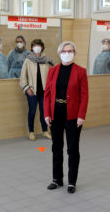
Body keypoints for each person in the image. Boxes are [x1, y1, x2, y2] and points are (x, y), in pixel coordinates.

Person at [44, 41, 89, 194]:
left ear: (74, 53)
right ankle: (57, 179)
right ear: (59, 53)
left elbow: (84, 96)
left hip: (73, 116)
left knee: (72, 149)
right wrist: (46, 114)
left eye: (70, 50)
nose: (67, 53)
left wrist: (81, 116)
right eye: (64, 51)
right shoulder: (53, 70)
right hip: (56, 113)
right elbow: (47, 94)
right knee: (56, 148)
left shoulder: (81, 71)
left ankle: (71, 181)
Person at [20, 39, 53, 141]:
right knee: (32, 111)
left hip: (44, 91)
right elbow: (22, 77)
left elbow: (51, 76)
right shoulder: (28, 60)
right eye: (35, 45)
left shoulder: (47, 60)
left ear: (42, 47)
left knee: (44, 112)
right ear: (32, 47)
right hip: (32, 92)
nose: (37, 47)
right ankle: (31, 132)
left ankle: (45, 131)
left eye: (39, 45)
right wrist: (27, 88)